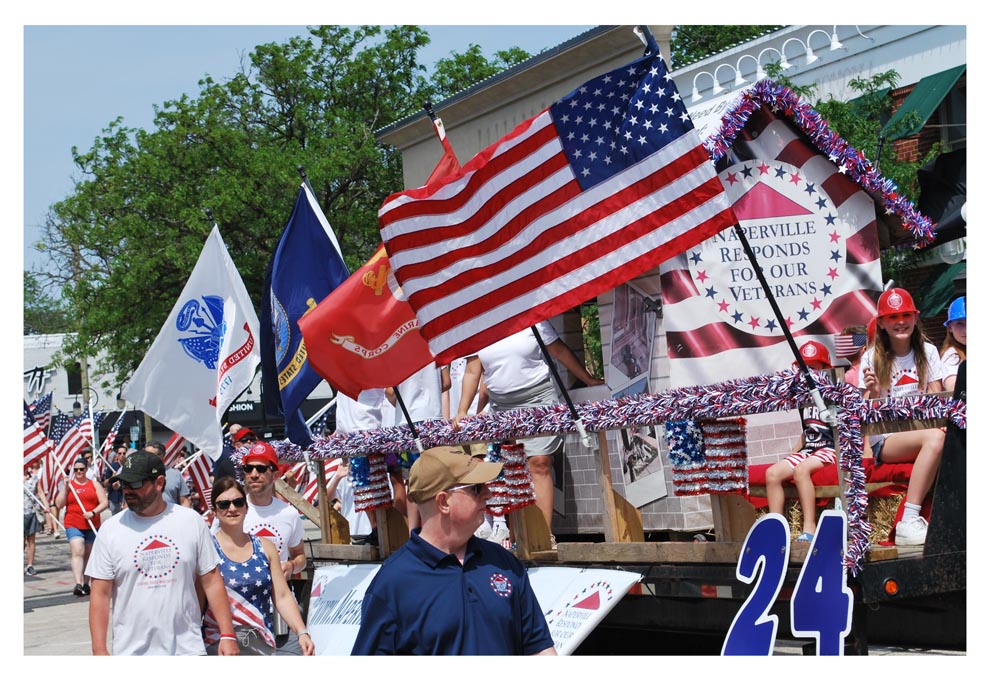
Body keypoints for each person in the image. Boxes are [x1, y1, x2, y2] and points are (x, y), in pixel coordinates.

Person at [351, 446, 556, 655]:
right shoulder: (393, 583)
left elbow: (540, 650)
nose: (488, 493)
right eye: (476, 487)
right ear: (443, 502)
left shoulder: (504, 562)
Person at [452, 320, 604, 545]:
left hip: (538, 397)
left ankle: (544, 535)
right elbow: (473, 371)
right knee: (513, 468)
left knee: (540, 462)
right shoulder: (479, 322)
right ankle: (519, 536)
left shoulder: (533, 317)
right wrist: (463, 410)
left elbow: (559, 349)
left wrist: (588, 379)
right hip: (501, 404)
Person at [85, 450, 239, 655]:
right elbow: (100, 594)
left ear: (159, 483)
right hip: (131, 653)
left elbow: (211, 581)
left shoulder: (191, 521)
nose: (127, 490)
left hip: (187, 649)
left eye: (135, 484)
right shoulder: (110, 530)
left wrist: (227, 635)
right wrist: (99, 650)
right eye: (124, 484)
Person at [861, 288, 948, 546]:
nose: (901, 321)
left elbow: (937, 399)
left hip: (923, 430)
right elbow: (863, 417)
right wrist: (873, 392)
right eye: (893, 316)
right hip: (886, 439)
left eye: (906, 314)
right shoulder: (871, 356)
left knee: (944, 436)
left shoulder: (929, 351)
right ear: (882, 324)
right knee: (935, 439)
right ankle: (909, 519)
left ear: (915, 317)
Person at [202, 477, 314, 655]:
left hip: (261, 643)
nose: (232, 508)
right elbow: (197, 602)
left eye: (238, 502)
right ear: (214, 511)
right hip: (219, 644)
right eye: (224, 504)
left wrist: (302, 632)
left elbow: (282, 595)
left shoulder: (265, 547)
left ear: (246, 508)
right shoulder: (205, 548)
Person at [231, 441, 308, 655]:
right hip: (242, 614)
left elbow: (301, 556)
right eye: (248, 469)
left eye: (261, 468)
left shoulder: (289, 514)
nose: (254, 474)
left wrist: (291, 566)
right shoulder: (232, 511)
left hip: (281, 611)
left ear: (274, 474)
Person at [764, 341, 838, 542]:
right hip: (810, 449)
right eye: (804, 368)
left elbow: (843, 428)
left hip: (830, 447)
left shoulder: (833, 393)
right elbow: (807, 431)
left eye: (813, 367)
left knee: (801, 470)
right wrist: (793, 452)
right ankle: (776, 529)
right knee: (772, 474)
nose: (808, 373)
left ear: (825, 369)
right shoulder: (801, 397)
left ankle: (809, 527)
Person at [54, 457, 109, 596]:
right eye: (76, 469)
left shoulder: (94, 484)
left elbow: (104, 502)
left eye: (82, 469)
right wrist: (65, 487)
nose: (79, 472)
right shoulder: (70, 485)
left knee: (89, 555)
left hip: (92, 524)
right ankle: (78, 583)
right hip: (73, 523)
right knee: (78, 550)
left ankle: (86, 583)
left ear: (86, 469)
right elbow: (59, 504)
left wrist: (93, 512)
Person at [326, 458, 376, 544]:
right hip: (350, 532)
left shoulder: (377, 470)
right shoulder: (344, 474)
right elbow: (324, 499)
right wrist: (337, 478)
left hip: (372, 532)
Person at [143, 440, 192, 507]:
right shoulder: (137, 474)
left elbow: (184, 501)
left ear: (162, 455)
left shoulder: (175, 475)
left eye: (151, 455)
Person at [24, 461, 50, 576]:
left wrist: (46, 505)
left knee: (31, 540)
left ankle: (30, 565)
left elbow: (40, 492)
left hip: (31, 511)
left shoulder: (34, 477)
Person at [940, 296, 966, 393]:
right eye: (959, 323)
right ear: (950, 327)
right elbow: (953, 388)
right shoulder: (952, 356)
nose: (966, 330)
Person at [103, 446, 129, 515]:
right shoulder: (112, 466)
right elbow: (105, 484)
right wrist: (112, 478)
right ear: (117, 455)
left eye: (124, 453)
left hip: (127, 498)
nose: (122, 455)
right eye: (120, 453)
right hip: (115, 498)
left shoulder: (130, 466)